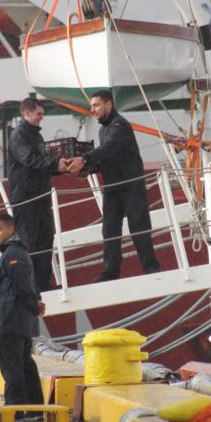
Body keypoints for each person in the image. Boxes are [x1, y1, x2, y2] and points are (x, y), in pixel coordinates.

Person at [67, 90, 160, 282]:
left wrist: (84, 159)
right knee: (109, 229)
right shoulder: (104, 129)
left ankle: (151, 268)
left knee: (139, 227)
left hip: (130, 185)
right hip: (113, 187)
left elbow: (109, 147)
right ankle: (110, 271)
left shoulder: (119, 125)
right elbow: (108, 157)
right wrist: (89, 168)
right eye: (92, 106)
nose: (92, 110)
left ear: (108, 104)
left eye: (96, 105)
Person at [7, 98, 68, 291]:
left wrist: (59, 166)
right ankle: (30, 286)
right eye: (39, 114)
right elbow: (31, 160)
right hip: (26, 197)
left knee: (45, 240)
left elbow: (37, 162)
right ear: (27, 113)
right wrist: (55, 164)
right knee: (29, 242)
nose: (42, 117)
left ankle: (41, 285)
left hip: (38, 195)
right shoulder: (20, 136)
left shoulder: (32, 135)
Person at [0, 212, 44, 420]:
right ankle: (34, 409)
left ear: (11, 229)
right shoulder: (17, 252)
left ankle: (15, 410)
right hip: (18, 319)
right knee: (24, 364)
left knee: (12, 366)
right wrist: (35, 304)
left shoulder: (13, 254)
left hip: (12, 320)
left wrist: (33, 305)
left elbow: (22, 286)